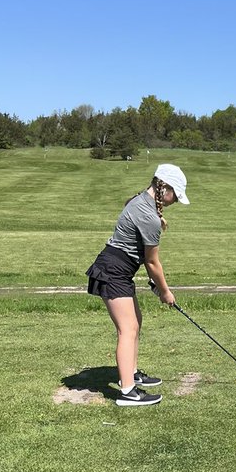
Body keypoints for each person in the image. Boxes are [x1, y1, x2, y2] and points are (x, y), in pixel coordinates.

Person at [86, 163, 190, 406]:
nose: (175, 201)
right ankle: (128, 392)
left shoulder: (140, 201)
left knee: (135, 322)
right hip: (113, 271)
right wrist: (165, 292)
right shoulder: (149, 217)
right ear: (164, 188)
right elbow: (153, 263)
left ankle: (131, 373)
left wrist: (156, 286)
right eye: (175, 195)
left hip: (119, 269)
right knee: (128, 329)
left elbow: (140, 255)